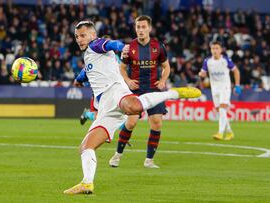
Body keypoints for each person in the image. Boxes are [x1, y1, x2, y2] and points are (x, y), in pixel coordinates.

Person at [64, 20, 201, 195]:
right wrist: (78, 79)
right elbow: (85, 73)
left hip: (115, 90)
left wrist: (122, 47)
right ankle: (87, 183)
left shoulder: (96, 44)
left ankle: (173, 94)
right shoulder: (90, 57)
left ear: (92, 35)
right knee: (85, 147)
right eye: (77, 36)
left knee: (134, 107)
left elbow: (111, 44)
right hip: (105, 107)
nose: (79, 39)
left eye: (83, 35)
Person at [109, 15, 170, 169]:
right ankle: (117, 155)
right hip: (135, 90)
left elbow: (166, 67)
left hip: (154, 90)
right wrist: (128, 81)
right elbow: (121, 68)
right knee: (131, 122)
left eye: (144, 27)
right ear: (135, 29)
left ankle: (149, 161)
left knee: (157, 123)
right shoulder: (129, 48)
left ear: (149, 28)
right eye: (138, 27)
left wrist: (162, 81)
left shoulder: (158, 46)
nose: (141, 30)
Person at [198, 41, 241, 140]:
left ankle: (220, 133)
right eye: (213, 48)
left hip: (225, 87)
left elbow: (236, 71)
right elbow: (203, 73)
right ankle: (230, 132)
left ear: (221, 50)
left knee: (222, 108)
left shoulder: (226, 60)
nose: (215, 50)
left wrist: (237, 85)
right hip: (214, 88)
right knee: (220, 111)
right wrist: (201, 74)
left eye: (217, 48)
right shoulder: (207, 61)